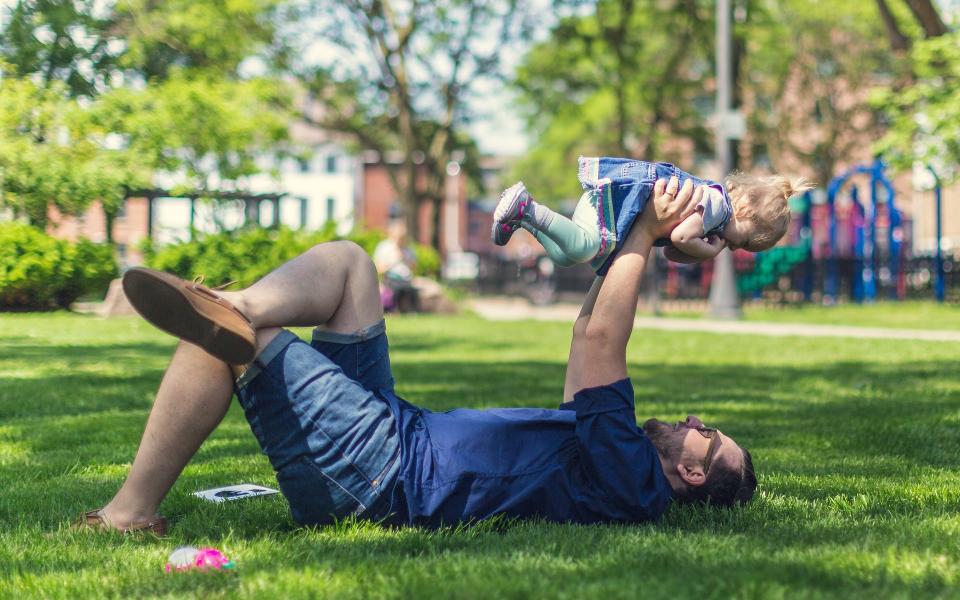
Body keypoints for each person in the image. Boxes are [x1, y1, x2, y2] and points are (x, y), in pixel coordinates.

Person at [79, 176, 755, 535]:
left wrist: (644, 228)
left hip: (380, 476)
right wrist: (651, 242)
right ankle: (240, 305)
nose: (696, 421)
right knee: (350, 266)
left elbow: (608, 339)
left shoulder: (631, 482)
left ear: (694, 475)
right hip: (394, 430)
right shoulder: (609, 454)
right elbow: (588, 334)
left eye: (708, 435)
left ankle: (131, 512)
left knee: (234, 346)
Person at [492, 156, 812, 272]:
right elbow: (680, 237)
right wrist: (708, 250)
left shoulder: (711, 220)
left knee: (565, 257)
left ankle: (523, 219)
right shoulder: (717, 207)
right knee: (584, 248)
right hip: (616, 201)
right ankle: (528, 206)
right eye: (740, 241)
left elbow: (674, 251)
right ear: (743, 209)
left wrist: (698, 251)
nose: (729, 245)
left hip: (610, 207)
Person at [373, 220, 419, 312]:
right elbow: (378, 269)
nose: (401, 240)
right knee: (397, 289)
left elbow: (414, 267)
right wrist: (394, 261)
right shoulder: (384, 248)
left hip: (406, 280)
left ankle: (412, 311)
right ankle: (393, 310)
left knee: (411, 290)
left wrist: (406, 259)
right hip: (390, 279)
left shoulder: (409, 249)